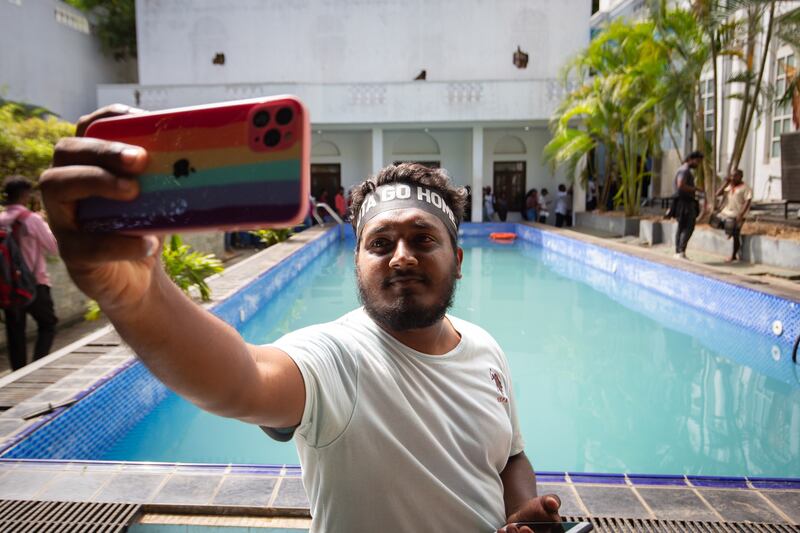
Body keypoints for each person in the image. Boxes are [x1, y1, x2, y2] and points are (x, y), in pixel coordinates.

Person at [40, 105, 562, 533]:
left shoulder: (485, 348)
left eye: (423, 239)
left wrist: (521, 513)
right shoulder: (335, 358)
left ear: (459, 257)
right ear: (356, 262)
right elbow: (240, 379)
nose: (401, 256)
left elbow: (512, 457)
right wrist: (139, 296)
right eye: (380, 243)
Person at [0, 177, 59, 371]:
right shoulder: (32, 219)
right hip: (35, 283)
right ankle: (38, 366)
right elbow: (54, 247)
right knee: (48, 324)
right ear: (25, 195)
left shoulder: (1, 220)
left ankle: (19, 373)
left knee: (15, 333)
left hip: (8, 287)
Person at [712, 169, 752, 263]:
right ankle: (728, 231)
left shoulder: (746, 188)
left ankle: (733, 255)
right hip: (727, 212)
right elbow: (718, 194)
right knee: (714, 221)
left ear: (740, 177)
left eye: (735, 176)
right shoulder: (729, 186)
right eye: (732, 176)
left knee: (735, 235)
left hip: (737, 214)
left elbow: (748, 201)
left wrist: (741, 214)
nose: (733, 178)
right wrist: (725, 183)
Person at [673, 151, 703, 259]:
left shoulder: (682, 169)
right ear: (690, 159)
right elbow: (681, 185)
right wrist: (695, 189)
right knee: (688, 226)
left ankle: (678, 252)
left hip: (682, 201)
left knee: (681, 226)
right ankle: (680, 251)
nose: (698, 164)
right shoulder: (685, 171)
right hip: (685, 202)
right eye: (697, 161)